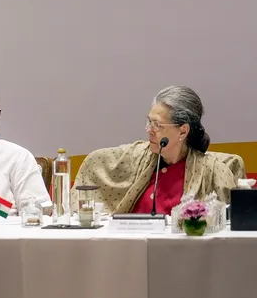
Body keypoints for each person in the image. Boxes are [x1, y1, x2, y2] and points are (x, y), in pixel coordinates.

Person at [73, 86, 236, 215]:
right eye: (149, 122)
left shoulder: (213, 171)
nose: (149, 130)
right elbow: (96, 161)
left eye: (157, 125)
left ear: (183, 131)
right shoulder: (135, 156)